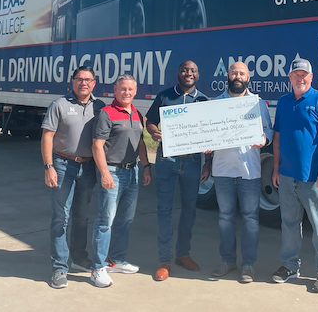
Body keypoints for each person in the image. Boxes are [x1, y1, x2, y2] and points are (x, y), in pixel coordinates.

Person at [271, 58, 318, 293]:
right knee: (289, 224)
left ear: (311, 78)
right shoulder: (283, 103)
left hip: (314, 177)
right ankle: (290, 266)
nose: (300, 78)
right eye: (295, 74)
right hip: (287, 176)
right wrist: (276, 168)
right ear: (289, 78)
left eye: (304, 75)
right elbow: (277, 137)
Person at [41, 66, 105, 289]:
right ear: (72, 81)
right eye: (79, 79)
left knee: (81, 216)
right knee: (61, 217)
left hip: (88, 168)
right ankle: (59, 267)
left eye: (88, 80)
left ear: (94, 83)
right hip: (62, 165)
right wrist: (49, 166)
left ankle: (79, 258)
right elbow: (47, 136)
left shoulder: (100, 107)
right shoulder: (60, 105)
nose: (84, 83)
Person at [145, 60, 210, 281]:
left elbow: (208, 131)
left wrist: (207, 162)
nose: (188, 73)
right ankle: (165, 260)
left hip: (192, 161)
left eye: (192, 70)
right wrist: (154, 132)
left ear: (198, 75)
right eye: (184, 70)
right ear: (178, 74)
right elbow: (150, 121)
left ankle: (183, 253)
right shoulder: (165, 96)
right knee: (164, 210)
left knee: (189, 210)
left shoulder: (203, 100)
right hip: (167, 160)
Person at [209, 61, 273, 283]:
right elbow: (207, 132)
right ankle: (227, 260)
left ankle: (248, 265)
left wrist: (265, 139)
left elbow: (268, 130)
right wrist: (206, 143)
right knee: (225, 218)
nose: (237, 76)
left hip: (249, 171)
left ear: (248, 77)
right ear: (227, 75)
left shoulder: (257, 104)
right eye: (234, 72)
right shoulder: (215, 104)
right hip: (223, 170)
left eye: (242, 73)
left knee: (250, 219)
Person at [89, 74, 152, 288]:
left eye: (130, 89)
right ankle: (97, 268)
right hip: (113, 172)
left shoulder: (136, 113)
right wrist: (104, 173)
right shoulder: (106, 114)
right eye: (122, 89)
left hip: (132, 171)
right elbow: (97, 146)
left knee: (125, 220)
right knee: (106, 220)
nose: (126, 93)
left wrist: (146, 166)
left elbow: (141, 143)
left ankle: (115, 260)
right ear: (114, 90)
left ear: (136, 91)